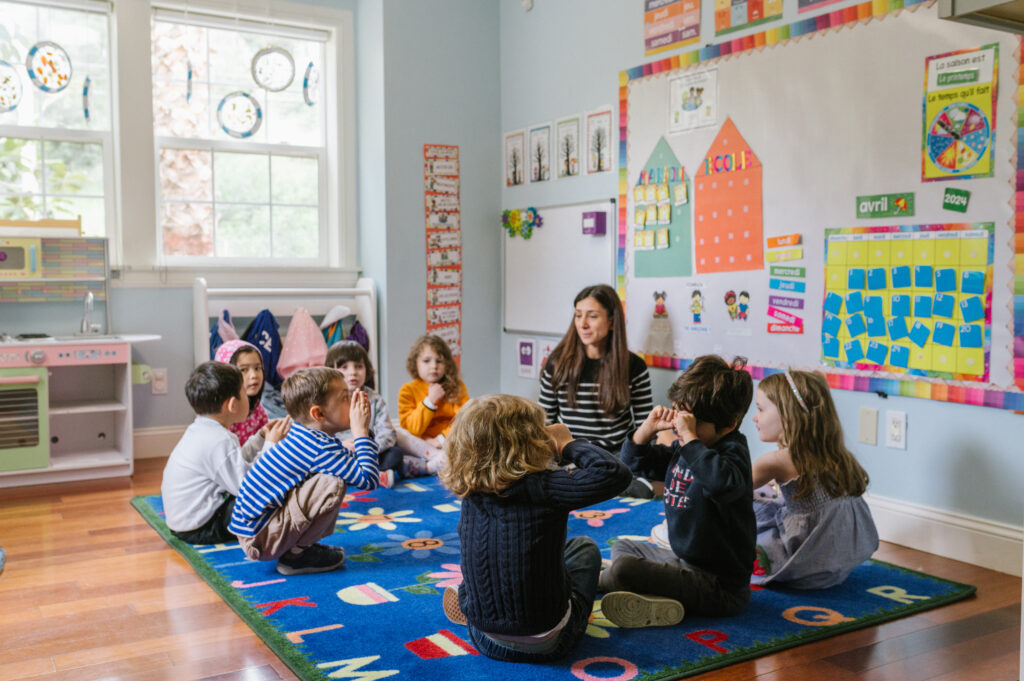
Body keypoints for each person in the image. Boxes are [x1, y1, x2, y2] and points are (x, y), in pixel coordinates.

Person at [439, 395, 631, 662]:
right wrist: (567, 443)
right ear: (532, 443)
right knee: (585, 549)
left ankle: (478, 605)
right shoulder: (545, 487)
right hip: (551, 642)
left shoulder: (471, 490)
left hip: (483, 638)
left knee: (492, 557)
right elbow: (614, 473)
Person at [599, 355, 755, 627]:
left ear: (729, 424)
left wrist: (690, 439)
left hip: (721, 588)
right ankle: (654, 598)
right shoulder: (689, 448)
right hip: (682, 560)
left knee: (624, 569)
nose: (680, 427)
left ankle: (588, 582)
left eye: (691, 421)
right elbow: (634, 465)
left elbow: (721, 483)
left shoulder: (732, 455)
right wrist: (646, 430)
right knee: (624, 546)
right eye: (679, 414)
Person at [229, 367, 380, 576]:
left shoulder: (304, 434)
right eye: (345, 398)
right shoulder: (319, 448)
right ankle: (295, 556)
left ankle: (297, 547)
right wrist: (361, 431)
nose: (353, 400)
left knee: (335, 472)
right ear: (318, 413)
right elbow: (369, 480)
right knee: (332, 483)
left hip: (255, 530)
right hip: (261, 538)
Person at [750, 370, 878, 588]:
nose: (755, 417)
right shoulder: (837, 455)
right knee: (769, 497)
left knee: (743, 505)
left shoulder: (775, 461)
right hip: (835, 566)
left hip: (800, 564)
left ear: (788, 414)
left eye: (760, 409)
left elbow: (724, 488)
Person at [538, 284, 653, 495]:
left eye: (592, 316)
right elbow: (544, 423)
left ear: (611, 322)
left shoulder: (633, 366)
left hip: (614, 462)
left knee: (637, 488)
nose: (582, 324)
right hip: (569, 460)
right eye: (578, 315)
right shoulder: (556, 364)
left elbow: (645, 428)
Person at [161, 362, 290, 545]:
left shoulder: (202, 430)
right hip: (203, 527)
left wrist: (260, 438)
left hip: (185, 523)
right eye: (244, 393)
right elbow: (250, 487)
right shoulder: (219, 440)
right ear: (232, 404)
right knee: (273, 494)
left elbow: (234, 463)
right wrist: (271, 445)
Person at [326, 340, 407, 488]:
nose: (353, 372)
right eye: (344, 367)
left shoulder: (375, 400)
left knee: (395, 453)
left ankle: (359, 477)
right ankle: (371, 476)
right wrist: (342, 447)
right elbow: (323, 435)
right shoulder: (329, 401)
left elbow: (388, 434)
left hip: (369, 454)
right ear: (331, 370)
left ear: (367, 370)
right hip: (341, 454)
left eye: (358, 366)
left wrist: (366, 448)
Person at [396, 334, 470, 475]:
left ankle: (427, 466)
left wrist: (440, 440)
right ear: (415, 363)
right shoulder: (407, 390)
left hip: (449, 442)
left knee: (470, 434)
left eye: (439, 361)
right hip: (421, 444)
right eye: (426, 361)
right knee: (399, 435)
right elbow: (412, 429)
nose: (434, 366)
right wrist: (429, 401)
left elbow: (464, 419)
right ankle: (437, 462)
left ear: (447, 364)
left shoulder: (457, 387)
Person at [214, 340, 270, 446]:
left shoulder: (258, 411)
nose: (254, 375)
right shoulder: (217, 415)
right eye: (244, 370)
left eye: (257, 368)